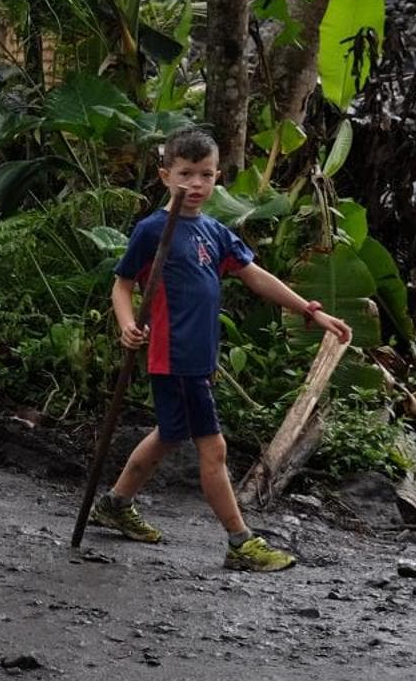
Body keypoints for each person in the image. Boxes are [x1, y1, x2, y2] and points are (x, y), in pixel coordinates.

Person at [86, 127, 352, 569]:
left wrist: (311, 310)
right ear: (165, 176)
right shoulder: (153, 230)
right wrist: (128, 325)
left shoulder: (214, 231)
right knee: (214, 450)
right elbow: (122, 283)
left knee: (170, 435)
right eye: (185, 174)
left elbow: (255, 275)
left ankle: (115, 504)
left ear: (216, 177)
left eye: (205, 175)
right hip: (174, 357)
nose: (195, 184)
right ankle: (240, 542)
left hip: (199, 356)